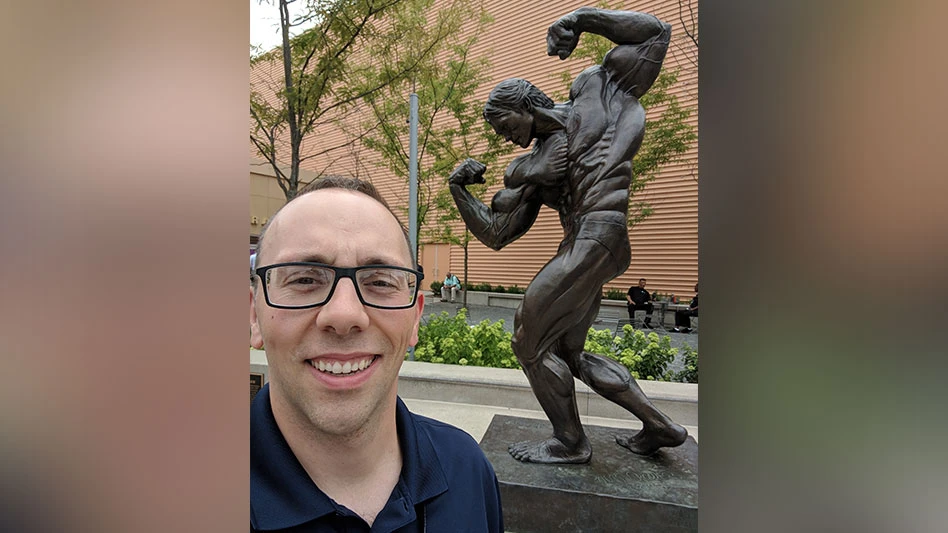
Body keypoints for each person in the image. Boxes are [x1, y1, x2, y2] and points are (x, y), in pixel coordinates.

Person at [448, 7, 686, 464]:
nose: (506, 138)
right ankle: (660, 426)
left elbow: (656, 34)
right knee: (566, 352)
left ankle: (571, 443)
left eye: (506, 127)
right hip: (587, 245)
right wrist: (460, 191)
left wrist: (581, 20)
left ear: (525, 106)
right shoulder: (537, 168)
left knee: (526, 339)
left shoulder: (598, 92)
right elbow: (498, 234)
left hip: (599, 235)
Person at [249, 176, 503, 532]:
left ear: (415, 318)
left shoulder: (467, 468)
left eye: (380, 281)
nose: (344, 315)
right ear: (253, 315)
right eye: (305, 279)